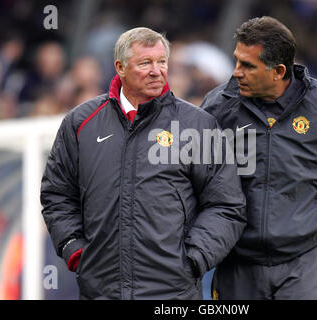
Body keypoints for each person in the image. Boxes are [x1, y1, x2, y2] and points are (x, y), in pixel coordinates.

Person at [40, 27, 247, 300]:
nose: (156, 71)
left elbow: (226, 204)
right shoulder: (81, 123)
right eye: (145, 63)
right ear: (120, 67)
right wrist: (74, 248)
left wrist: (194, 259)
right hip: (100, 291)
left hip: (173, 294)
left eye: (162, 62)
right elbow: (57, 194)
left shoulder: (197, 125)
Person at [200, 16, 317, 300]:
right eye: (237, 61)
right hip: (237, 262)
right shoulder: (219, 106)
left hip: (305, 261)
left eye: (248, 65)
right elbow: (190, 175)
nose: (236, 72)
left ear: (278, 71)